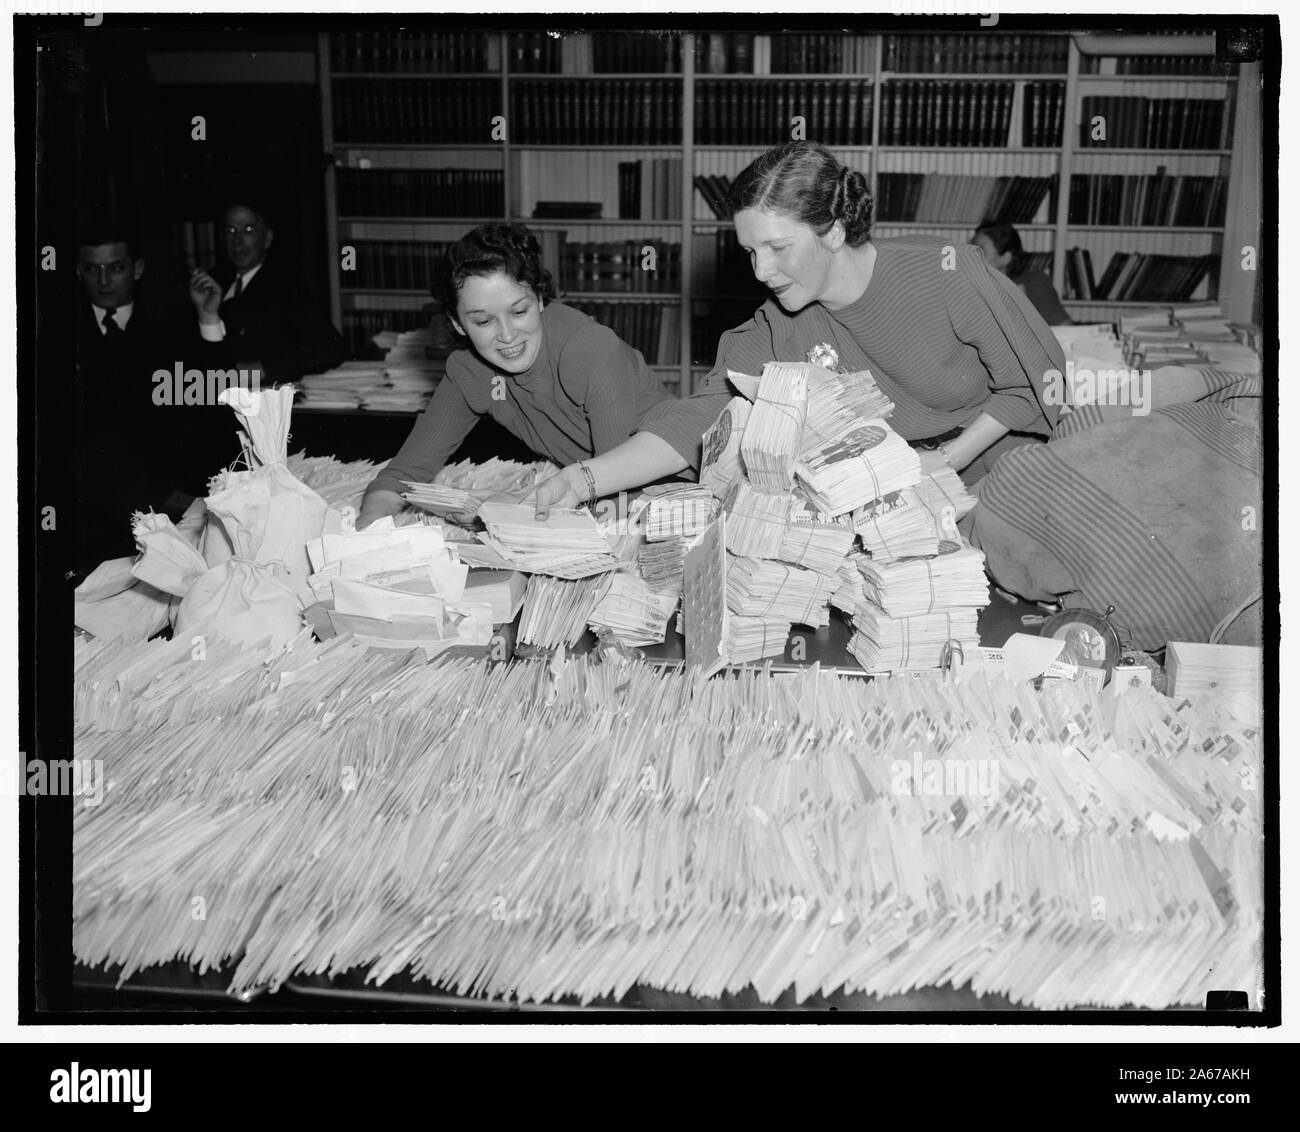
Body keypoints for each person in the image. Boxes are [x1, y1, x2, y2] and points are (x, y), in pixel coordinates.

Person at [532, 141, 1065, 516]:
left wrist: (944, 461)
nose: (761, 272)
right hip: (881, 492)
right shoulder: (777, 323)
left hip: (997, 471)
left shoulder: (946, 273)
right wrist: (580, 481)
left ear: (833, 232)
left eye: (778, 248)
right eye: (749, 252)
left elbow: (1034, 381)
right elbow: (694, 422)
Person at [357, 223, 675, 529]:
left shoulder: (587, 348)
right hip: (598, 497)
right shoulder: (468, 371)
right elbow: (402, 474)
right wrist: (369, 530)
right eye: (483, 321)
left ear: (539, 299)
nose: (507, 336)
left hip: (674, 489)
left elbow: (616, 492)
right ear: (457, 324)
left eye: (519, 311)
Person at [73, 219, 204, 569]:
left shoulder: (169, 336)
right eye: (91, 269)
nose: (103, 281)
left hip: (165, 515)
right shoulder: (57, 339)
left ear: (137, 269)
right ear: (78, 271)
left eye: (115, 268)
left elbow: (191, 424)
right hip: (89, 520)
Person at [188, 196, 346, 384]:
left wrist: (263, 369)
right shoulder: (208, 287)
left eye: (248, 229)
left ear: (267, 238)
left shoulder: (287, 289)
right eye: (230, 231)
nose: (237, 241)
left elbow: (331, 349)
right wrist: (207, 316)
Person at [972, 221, 1071, 327]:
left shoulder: (1035, 283)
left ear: (1005, 258)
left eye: (980, 251)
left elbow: (1066, 331)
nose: (972, 257)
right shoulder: (969, 283)